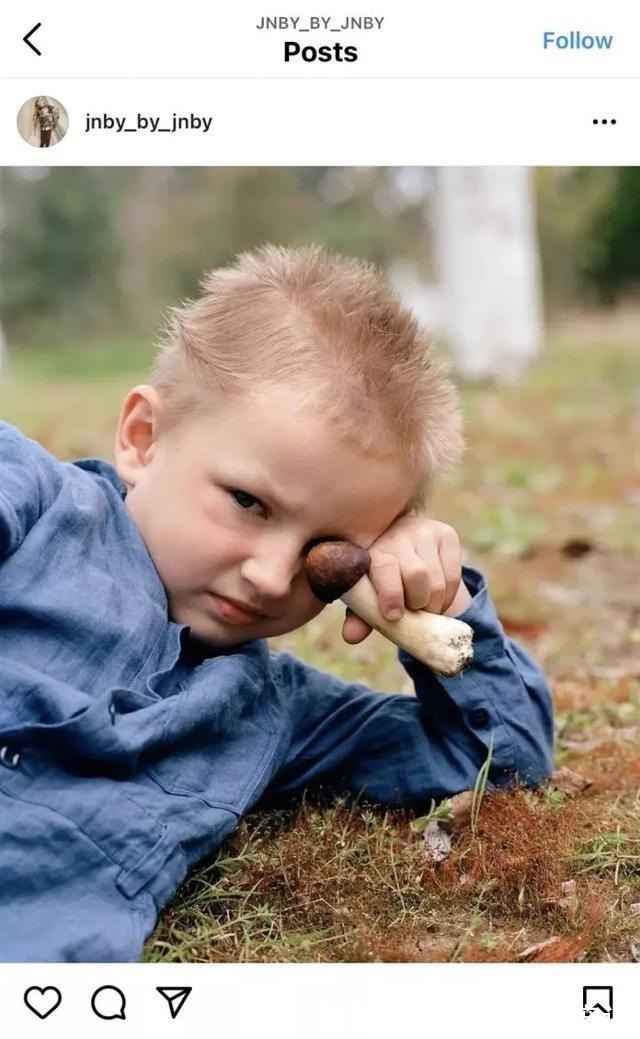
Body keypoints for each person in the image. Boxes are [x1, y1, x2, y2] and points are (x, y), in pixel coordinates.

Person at [0, 245, 554, 962]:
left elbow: (499, 757)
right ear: (144, 437)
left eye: (330, 556)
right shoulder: (35, 505)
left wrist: (437, 604)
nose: (269, 576)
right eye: (248, 502)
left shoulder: (269, 713)